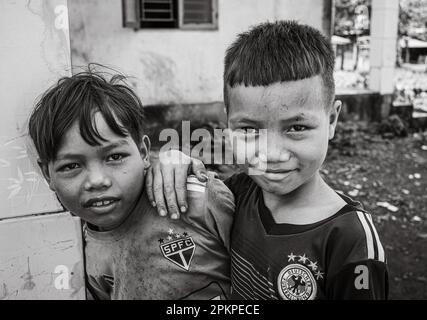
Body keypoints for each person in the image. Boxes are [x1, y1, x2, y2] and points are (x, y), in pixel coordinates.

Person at [147, 21, 389, 300]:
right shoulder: (236, 194)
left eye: (297, 128)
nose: (271, 153)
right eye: (249, 130)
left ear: (332, 120)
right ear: (228, 126)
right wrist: (174, 162)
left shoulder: (351, 240)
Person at [28, 68, 234, 299]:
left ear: (144, 152)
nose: (97, 181)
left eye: (115, 157)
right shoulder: (77, 254)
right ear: (48, 175)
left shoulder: (195, 199)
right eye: (71, 166)